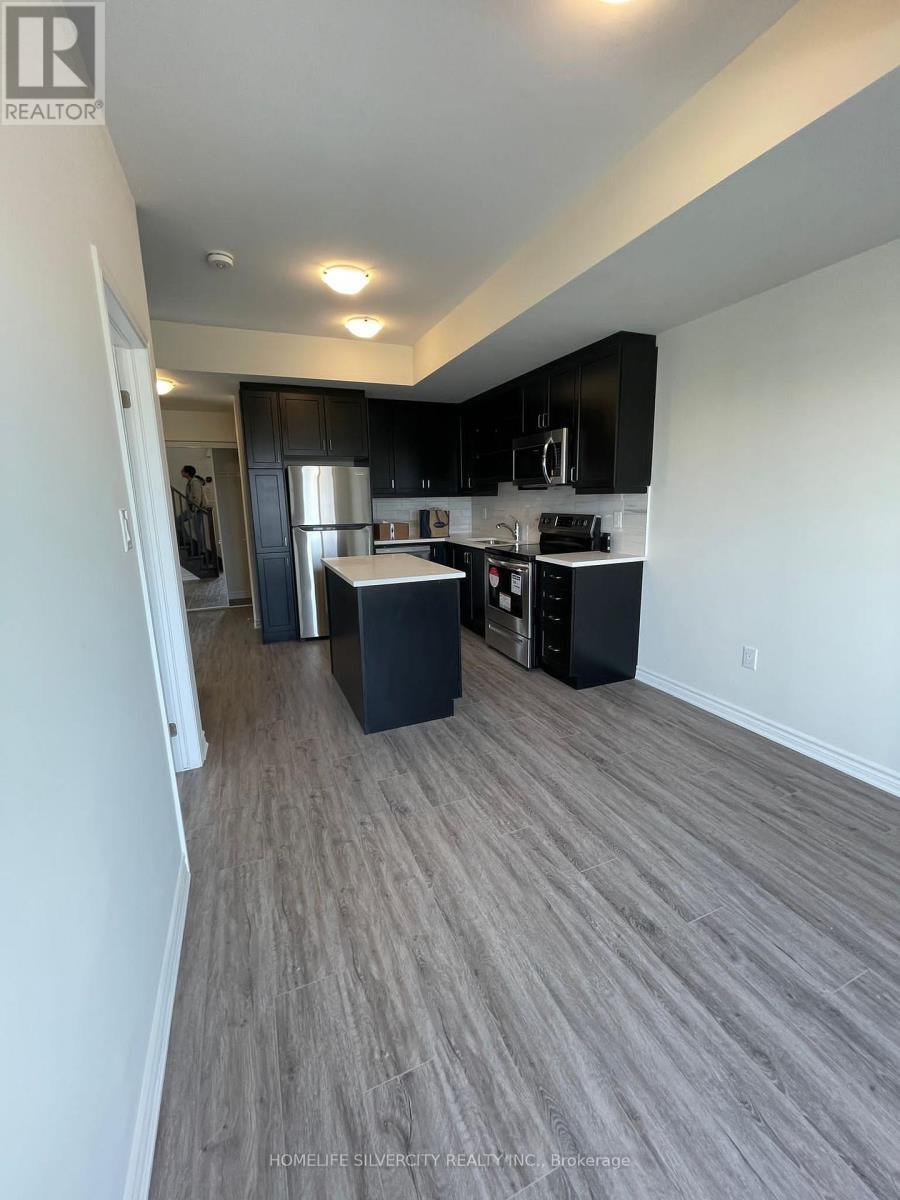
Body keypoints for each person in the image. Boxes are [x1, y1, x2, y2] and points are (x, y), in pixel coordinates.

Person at [178, 465, 205, 549]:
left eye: (182, 470)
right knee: (178, 521)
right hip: (193, 509)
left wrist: (194, 510)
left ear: (187, 473)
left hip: (197, 509)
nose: (181, 471)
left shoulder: (195, 482)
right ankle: (189, 541)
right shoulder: (190, 482)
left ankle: (201, 549)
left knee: (197, 530)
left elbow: (197, 498)